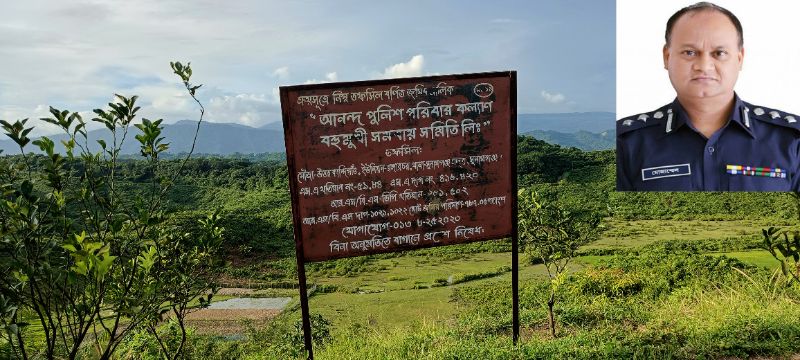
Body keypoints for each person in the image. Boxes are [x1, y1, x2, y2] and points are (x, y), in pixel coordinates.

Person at [616, 2, 800, 191]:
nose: (704, 66)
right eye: (690, 52)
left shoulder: (792, 141)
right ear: (667, 56)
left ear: (739, 58)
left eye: (719, 53)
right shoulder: (625, 144)